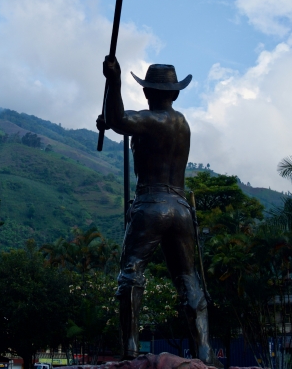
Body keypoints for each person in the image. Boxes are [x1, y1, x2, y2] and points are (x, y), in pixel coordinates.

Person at [96, 56, 221, 368]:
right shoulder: (182, 124)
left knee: (131, 273)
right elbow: (122, 124)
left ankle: (129, 346)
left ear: (148, 92)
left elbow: (121, 121)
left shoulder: (153, 120)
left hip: (151, 204)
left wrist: (114, 80)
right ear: (175, 93)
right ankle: (204, 353)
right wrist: (110, 120)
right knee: (189, 280)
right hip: (180, 208)